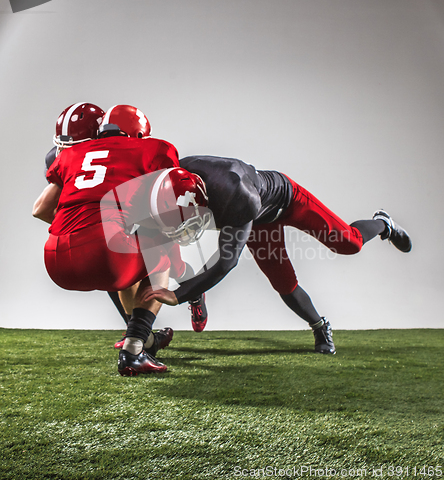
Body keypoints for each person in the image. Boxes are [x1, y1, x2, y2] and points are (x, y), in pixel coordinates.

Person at [141, 155, 412, 355]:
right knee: (283, 282)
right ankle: (318, 324)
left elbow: (227, 261)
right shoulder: (174, 180)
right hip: (252, 216)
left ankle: (383, 223)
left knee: (348, 243)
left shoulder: (238, 196)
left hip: (285, 202)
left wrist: (177, 295)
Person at [34, 103, 183, 375]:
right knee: (160, 245)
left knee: (126, 251)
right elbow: (168, 205)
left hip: (55, 260)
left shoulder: (73, 153)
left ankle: (143, 338)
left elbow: (40, 210)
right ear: (139, 134)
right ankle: (134, 350)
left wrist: (76, 231)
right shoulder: (155, 148)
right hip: (105, 256)